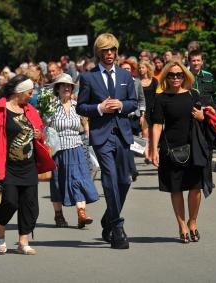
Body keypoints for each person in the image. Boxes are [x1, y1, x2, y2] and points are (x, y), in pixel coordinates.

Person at [76, 33, 137, 249]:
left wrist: (121, 105)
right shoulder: (88, 77)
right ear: (99, 53)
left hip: (122, 133)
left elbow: (133, 102)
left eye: (112, 50)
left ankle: (108, 218)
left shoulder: (125, 75)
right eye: (105, 50)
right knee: (109, 179)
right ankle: (118, 227)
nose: (109, 54)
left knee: (124, 181)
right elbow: (80, 107)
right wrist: (100, 108)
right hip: (102, 135)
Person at [0, 75, 44, 255]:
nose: (32, 95)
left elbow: (39, 134)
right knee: (10, 201)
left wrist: (39, 136)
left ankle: (23, 242)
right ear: (18, 92)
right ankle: (0, 228)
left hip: (28, 166)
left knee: (30, 205)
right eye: (30, 92)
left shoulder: (31, 110)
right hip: (6, 166)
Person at [151, 61, 211, 243]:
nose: (175, 78)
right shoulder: (161, 98)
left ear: (184, 76)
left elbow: (205, 115)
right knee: (175, 189)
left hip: (194, 147)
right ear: (166, 77)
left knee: (195, 188)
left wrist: (202, 116)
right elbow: (157, 125)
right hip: (171, 149)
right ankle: (182, 225)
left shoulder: (193, 94)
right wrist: (154, 149)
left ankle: (193, 222)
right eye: (171, 75)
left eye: (179, 74)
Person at [49, 74, 99, 228]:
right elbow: (45, 128)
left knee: (80, 179)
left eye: (69, 85)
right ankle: (58, 215)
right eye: (63, 85)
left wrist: (92, 142)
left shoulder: (78, 106)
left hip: (76, 147)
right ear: (57, 88)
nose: (66, 88)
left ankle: (81, 213)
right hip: (57, 150)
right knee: (58, 182)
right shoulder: (51, 107)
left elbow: (85, 127)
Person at [139, 60, 158, 162]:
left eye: (142, 67)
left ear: (147, 68)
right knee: (145, 132)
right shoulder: (137, 82)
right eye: (139, 68)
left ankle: (152, 153)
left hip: (154, 109)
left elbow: (158, 96)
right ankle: (146, 154)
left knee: (152, 133)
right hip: (143, 111)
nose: (141, 70)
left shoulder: (154, 81)